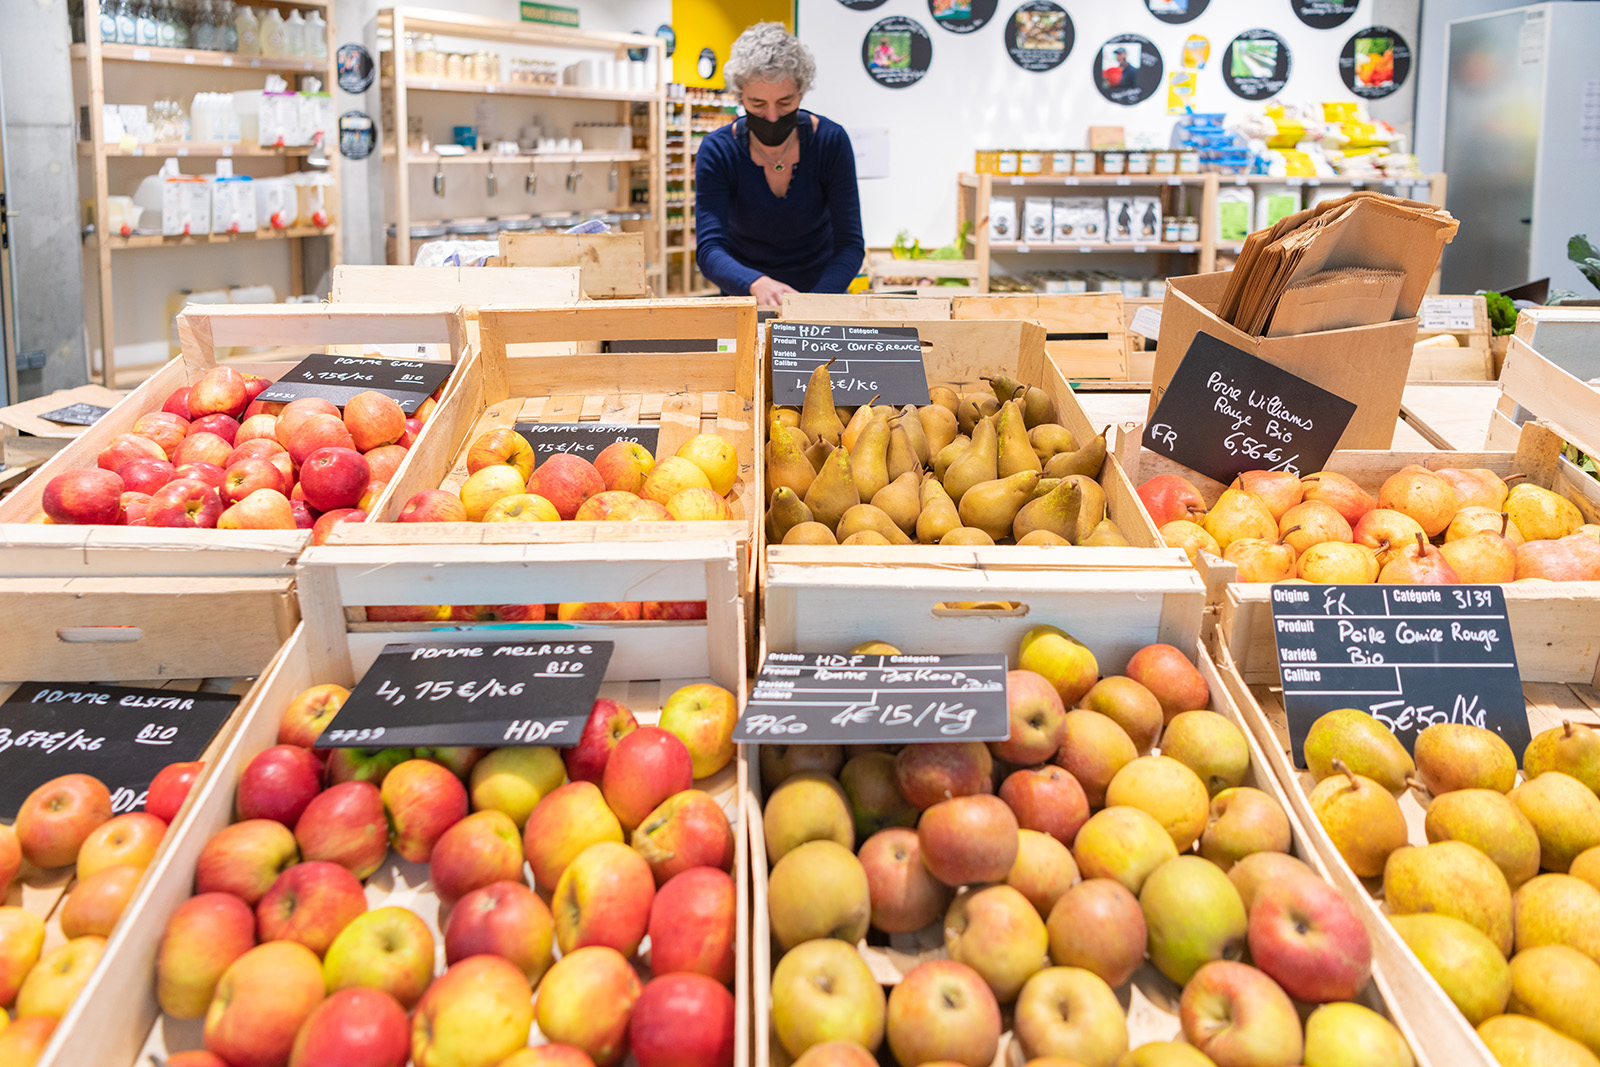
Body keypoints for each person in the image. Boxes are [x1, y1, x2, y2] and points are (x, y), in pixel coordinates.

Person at [696, 23, 865, 306]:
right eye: (757, 104)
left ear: (802, 91)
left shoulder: (830, 142)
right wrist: (754, 283)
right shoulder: (718, 151)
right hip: (746, 300)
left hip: (822, 295)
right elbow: (710, 249)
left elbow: (850, 244)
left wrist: (815, 303)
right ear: (740, 96)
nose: (772, 117)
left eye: (785, 102)